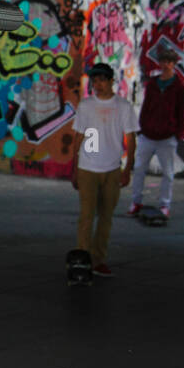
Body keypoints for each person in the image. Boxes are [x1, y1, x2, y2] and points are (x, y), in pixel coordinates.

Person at [69, 62, 137, 278]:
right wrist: (74, 167)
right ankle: (83, 259)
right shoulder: (86, 106)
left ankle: (99, 259)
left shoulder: (123, 106)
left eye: (101, 80)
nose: (97, 85)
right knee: (87, 216)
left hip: (112, 168)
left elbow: (131, 139)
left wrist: (128, 169)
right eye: (94, 81)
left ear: (110, 81)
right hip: (88, 167)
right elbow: (78, 137)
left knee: (106, 217)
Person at [127, 48, 184, 218]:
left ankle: (164, 205)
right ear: (160, 63)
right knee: (139, 169)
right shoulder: (153, 84)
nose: (166, 65)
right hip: (148, 135)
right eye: (163, 62)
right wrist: (143, 127)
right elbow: (146, 107)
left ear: (174, 65)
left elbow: (182, 112)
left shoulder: (178, 87)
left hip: (167, 137)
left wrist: (178, 133)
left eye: (169, 62)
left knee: (168, 173)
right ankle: (136, 202)